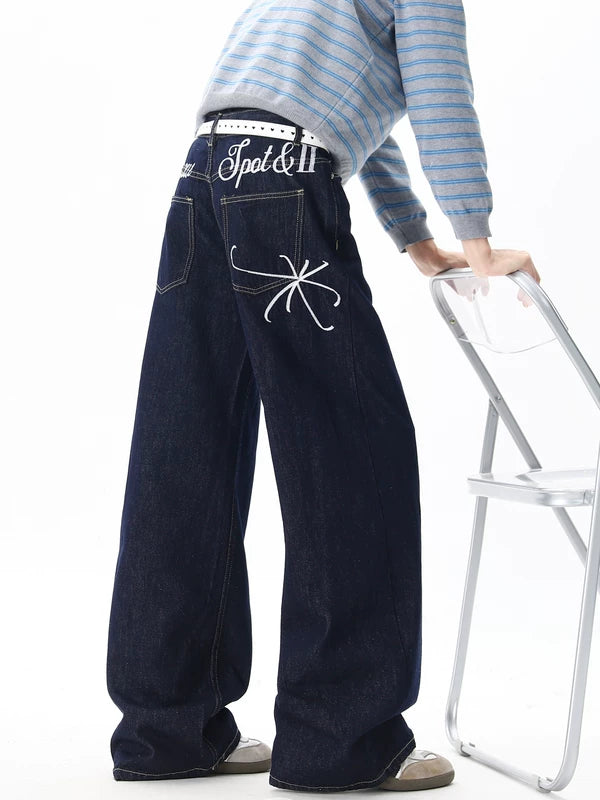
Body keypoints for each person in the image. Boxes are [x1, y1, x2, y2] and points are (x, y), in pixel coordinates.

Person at [105, 0, 540, 793]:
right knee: (351, 455)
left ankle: (164, 729)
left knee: (186, 453)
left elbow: (350, 119)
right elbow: (438, 93)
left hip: (203, 177)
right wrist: (476, 242)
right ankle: (341, 739)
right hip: (285, 185)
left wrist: (419, 243)